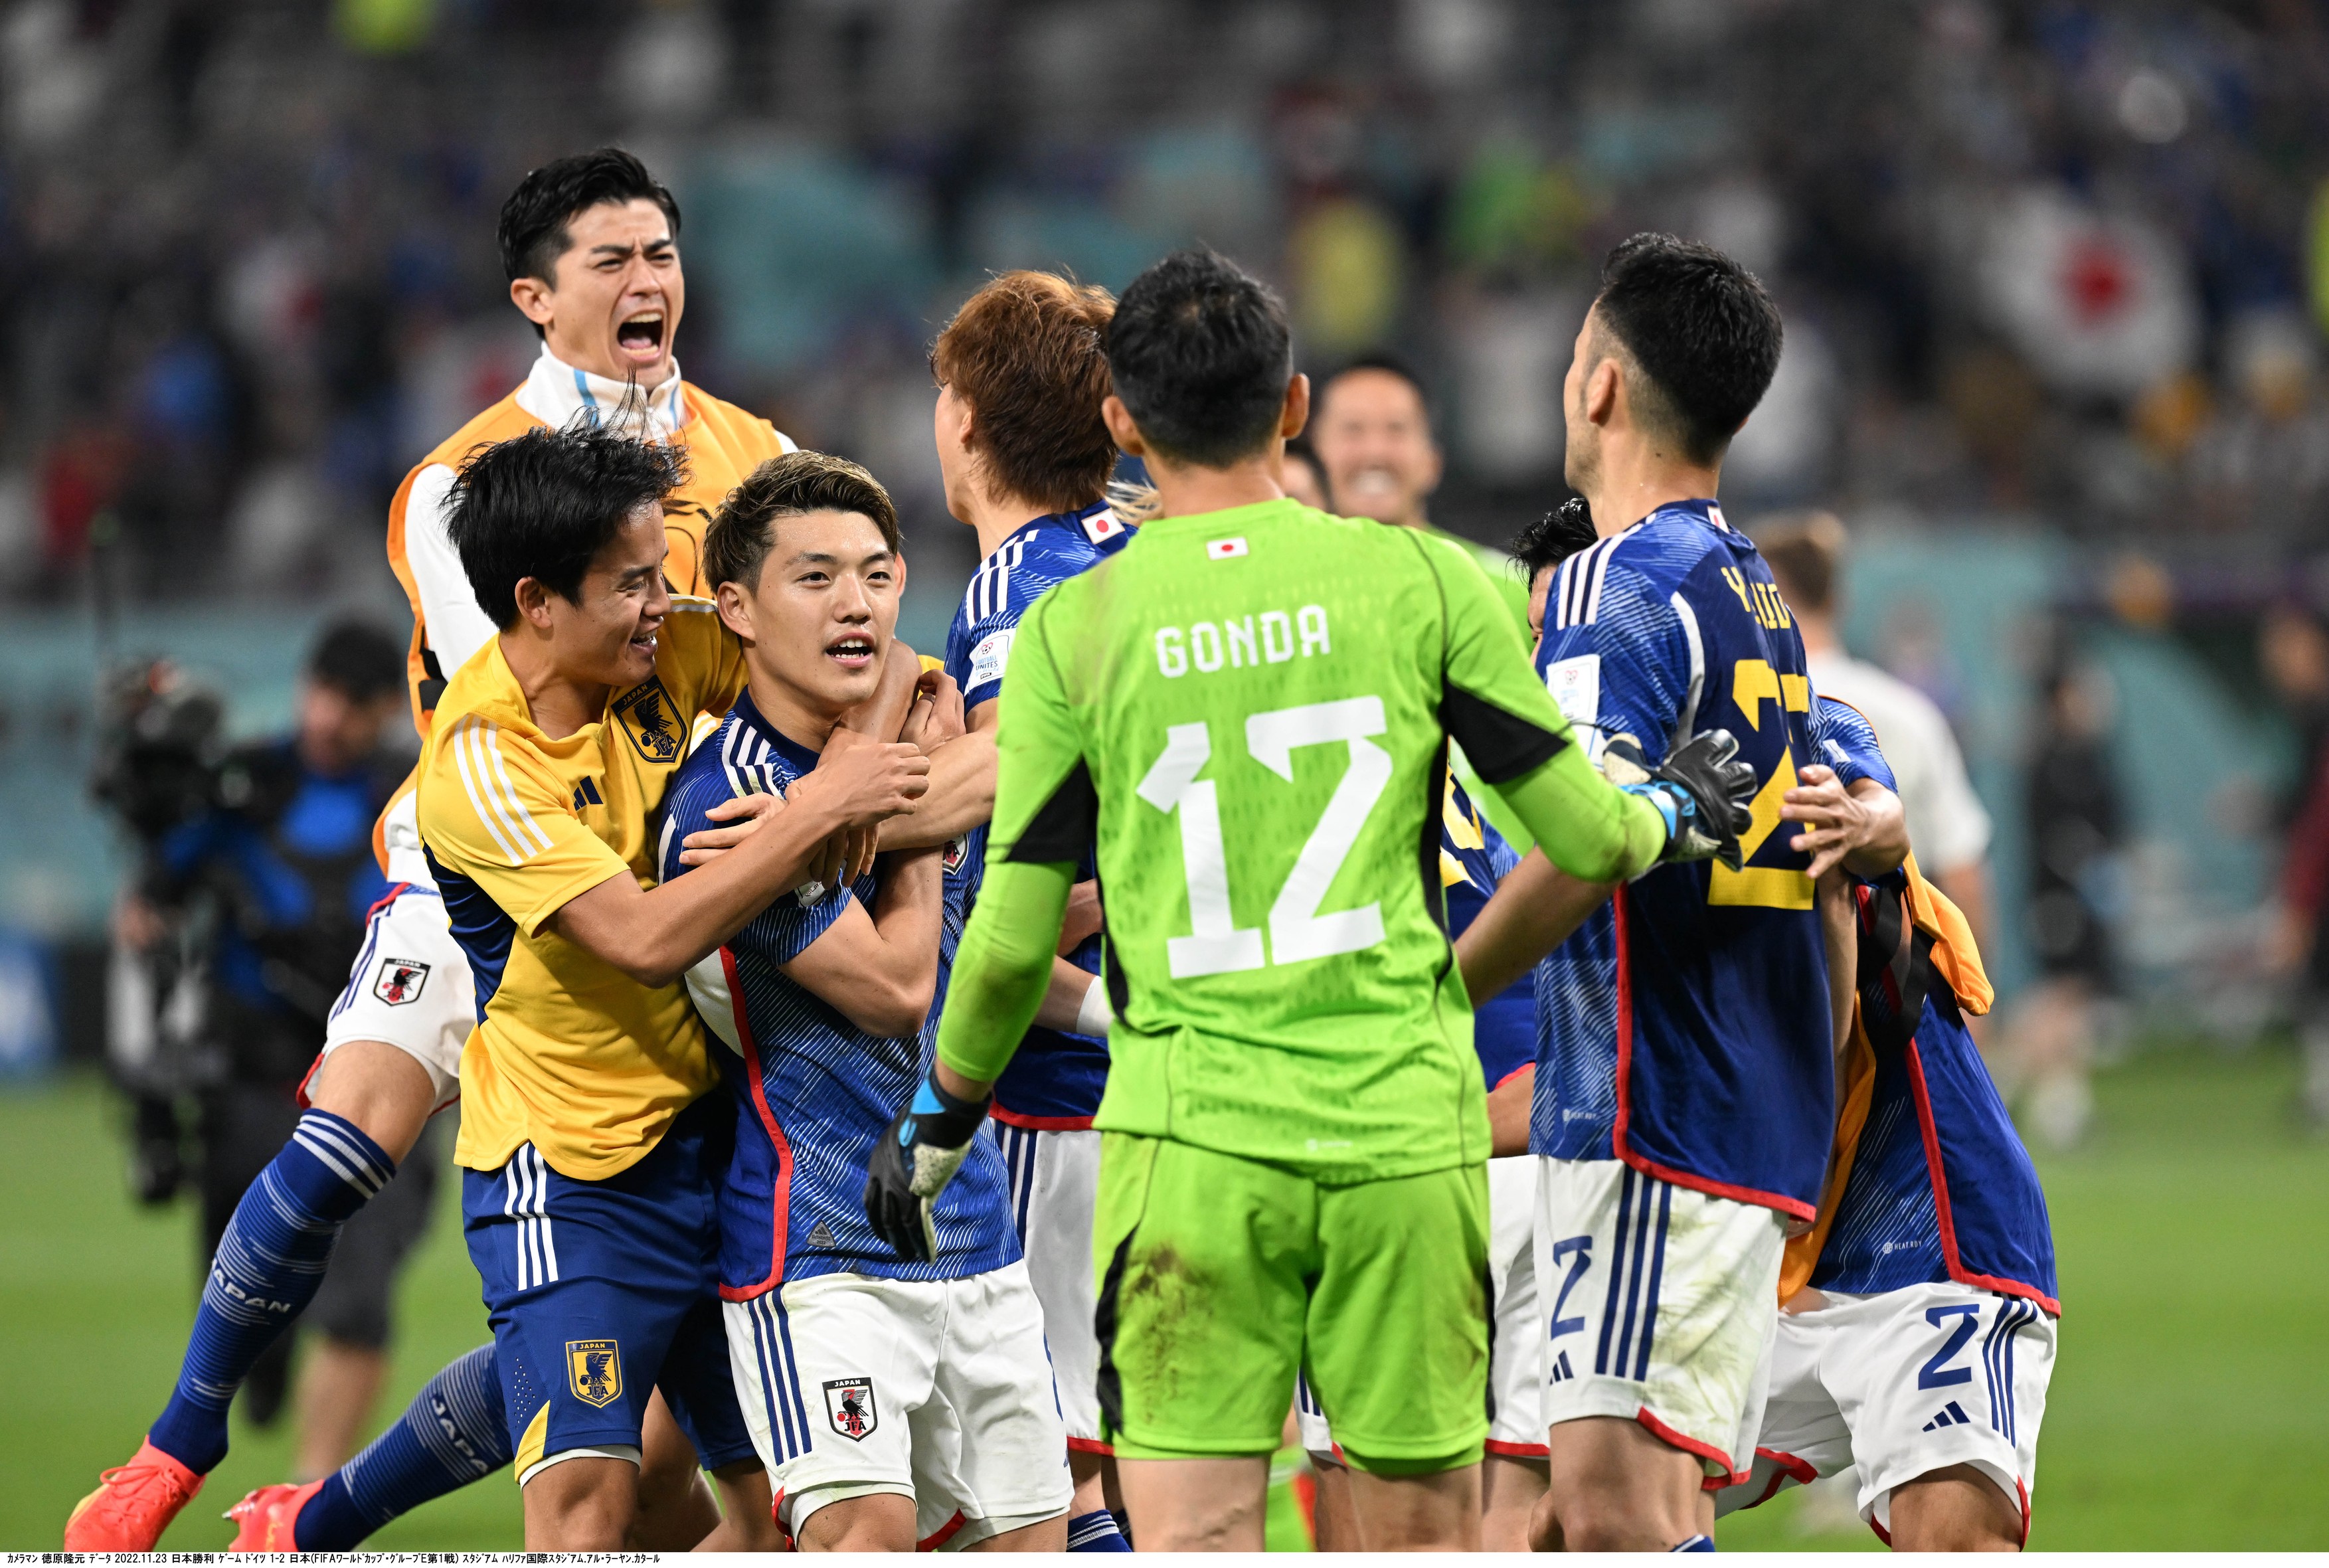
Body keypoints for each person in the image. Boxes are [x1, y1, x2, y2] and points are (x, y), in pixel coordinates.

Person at [859, 248, 1758, 1551]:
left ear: (1122, 421)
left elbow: (1006, 939)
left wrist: (938, 1120)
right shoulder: (1427, 583)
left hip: (1190, 1154)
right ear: (1292, 406)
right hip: (1400, 1133)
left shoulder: (1075, 630)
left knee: (1192, 1538)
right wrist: (1672, 803)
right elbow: (1584, 832)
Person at [64, 145, 797, 1551]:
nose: (650, 280)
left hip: (671, 880)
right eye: (612, 258)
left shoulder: (757, 454)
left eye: (663, 252)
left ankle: (315, 1517)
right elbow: (528, 696)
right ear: (534, 293)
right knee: (350, 1128)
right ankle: (176, 1445)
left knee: (620, 1342)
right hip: (497, 865)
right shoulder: (460, 486)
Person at [1448, 234, 1891, 1551]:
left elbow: (1589, 841)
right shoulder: (1751, 587)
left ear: (1596, 386)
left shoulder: (1612, 582)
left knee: (1613, 1501)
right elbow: (1823, 888)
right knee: (1617, 1501)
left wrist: (1425, 995)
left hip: (1653, 1104)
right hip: (1740, 1102)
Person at [413, 424, 928, 1550]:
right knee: (591, 1504)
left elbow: (887, 665)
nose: (665, 603)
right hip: (575, 1169)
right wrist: (812, 814)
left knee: (777, 1513)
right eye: (634, 584)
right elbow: (642, 938)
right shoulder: (481, 767)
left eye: (665, 574)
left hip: (718, 1140)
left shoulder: (659, 653)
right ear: (538, 602)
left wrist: (853, 764)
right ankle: (310, 1519)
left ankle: (307, 1519)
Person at [661, 452, 1073, 1550]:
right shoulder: (729, 807)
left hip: (977, 1232)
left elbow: (1007, 930)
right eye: (815, 577)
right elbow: (895, 990)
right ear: (737, 607)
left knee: (1036, 1539)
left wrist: (914, 776)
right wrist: (925, 824)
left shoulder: (911, 741)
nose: (856, 602)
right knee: (866, 1537)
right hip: (824, 1250)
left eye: (877, 574)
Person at [1716, 699, 2058, 1550]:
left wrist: (1851, 825)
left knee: (1952, 1544)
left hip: (1936, 1244)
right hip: (1782, 1266)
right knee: (1591, 1510)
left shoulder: (1792, 727)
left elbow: (1883, 823)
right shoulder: (1593, 799)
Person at [929, 270, 1138, 1550]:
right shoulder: (1149, 540)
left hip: (1050, 1099)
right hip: (1183, 1082)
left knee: (1024, 1479)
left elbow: (1027, 838)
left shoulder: (1021, 582)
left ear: (961, 420)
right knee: (1124, 1458)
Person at [1755, 511, 1996, 954]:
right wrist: (1976, 1013)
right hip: (1890, 990)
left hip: (1769, 982)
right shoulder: (1908, 712)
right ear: (1836, 598)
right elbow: (1963, 874)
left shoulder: (1734, 712)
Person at [1308, 354, 1530, 633]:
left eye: (1396, 429)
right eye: (1353, 430)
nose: (1375, 452)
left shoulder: (1506, 593)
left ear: (1433, 462)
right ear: (1313, 457)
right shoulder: (1282, 591)